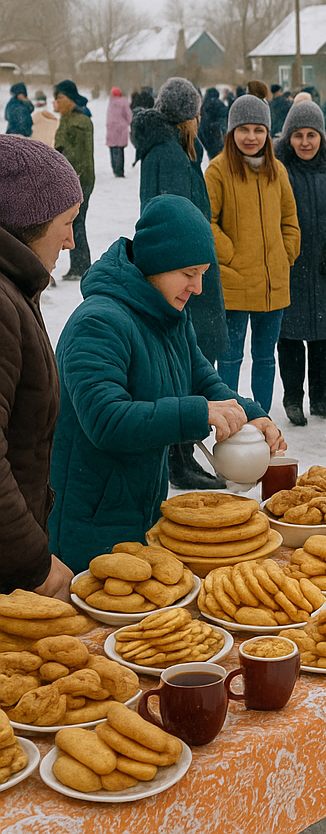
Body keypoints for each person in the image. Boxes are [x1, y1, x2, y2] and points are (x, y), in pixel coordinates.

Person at [48, 195, 283, 570]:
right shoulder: (98, 323)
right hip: (88, 523)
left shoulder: (168, 316)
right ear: (156, 263)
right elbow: (106, 421)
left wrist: (252, 415)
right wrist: (198, 414)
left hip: (141, 513)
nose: (198, 287)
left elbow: (203, 381)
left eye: (203, 273)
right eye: (189, 273)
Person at [133, 77, 228, 489]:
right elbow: (175, 220)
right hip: (182, 271)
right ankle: (181, 458)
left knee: (181, 362)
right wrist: (190, 269)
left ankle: (183, 454)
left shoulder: (167, 149)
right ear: (188, 117)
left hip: (183, 269)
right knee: (183, 364)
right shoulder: (171, 154)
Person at [0, 135, 82, 595]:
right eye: (66, 223)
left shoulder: (15, 287)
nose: (72, 239)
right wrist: (32, 563)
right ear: (27, 224)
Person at [205, 95, 300, 414]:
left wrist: (286, 253)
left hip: (273, 283)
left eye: (258, 129)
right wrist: (231, 255)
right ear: (231, 132)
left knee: (265, 357)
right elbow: (208, 221)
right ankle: (229, 423)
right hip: (234, 284)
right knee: (230, 358)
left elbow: (290, 220)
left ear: (268, 133)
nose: (251, 137)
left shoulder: (278, 171)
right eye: (243, 129)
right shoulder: (217, 171)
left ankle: (262, 419)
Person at [273, 100, 326, 428]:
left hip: (325, 264)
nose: (304, 142)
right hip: (289, 263)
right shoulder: (277, 168)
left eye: (311, 135)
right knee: (289, 335)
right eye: (298, 135)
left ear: (322, 137)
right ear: (288, 137)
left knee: (323, 335)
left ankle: (321, 396)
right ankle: (292, 398)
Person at [52, 80, 94, 280]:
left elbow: (76, 155)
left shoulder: (76, 120)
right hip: (79, 177)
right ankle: (80, 265)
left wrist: (57, 155)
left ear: (68, 99)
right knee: (76, 222)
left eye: (58, 98)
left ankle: (80, 267)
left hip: (79, 178)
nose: (56, 102)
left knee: (76, 222)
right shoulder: (73, 117)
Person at [106, 87, 131, 179]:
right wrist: (129, 122)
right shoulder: (124, 102)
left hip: (111, 128)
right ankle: (120, 170)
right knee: (120, 150)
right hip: (121, 128)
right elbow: (128, 114)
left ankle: (115, 169)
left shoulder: (111, 102)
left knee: (113, 149)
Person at [198, 87, 226, 160]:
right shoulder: (220, 104)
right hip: (217, 135)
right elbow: (223, 119)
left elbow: (202, 123)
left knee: (211, 156)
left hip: (207, 135)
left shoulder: (203, 105)